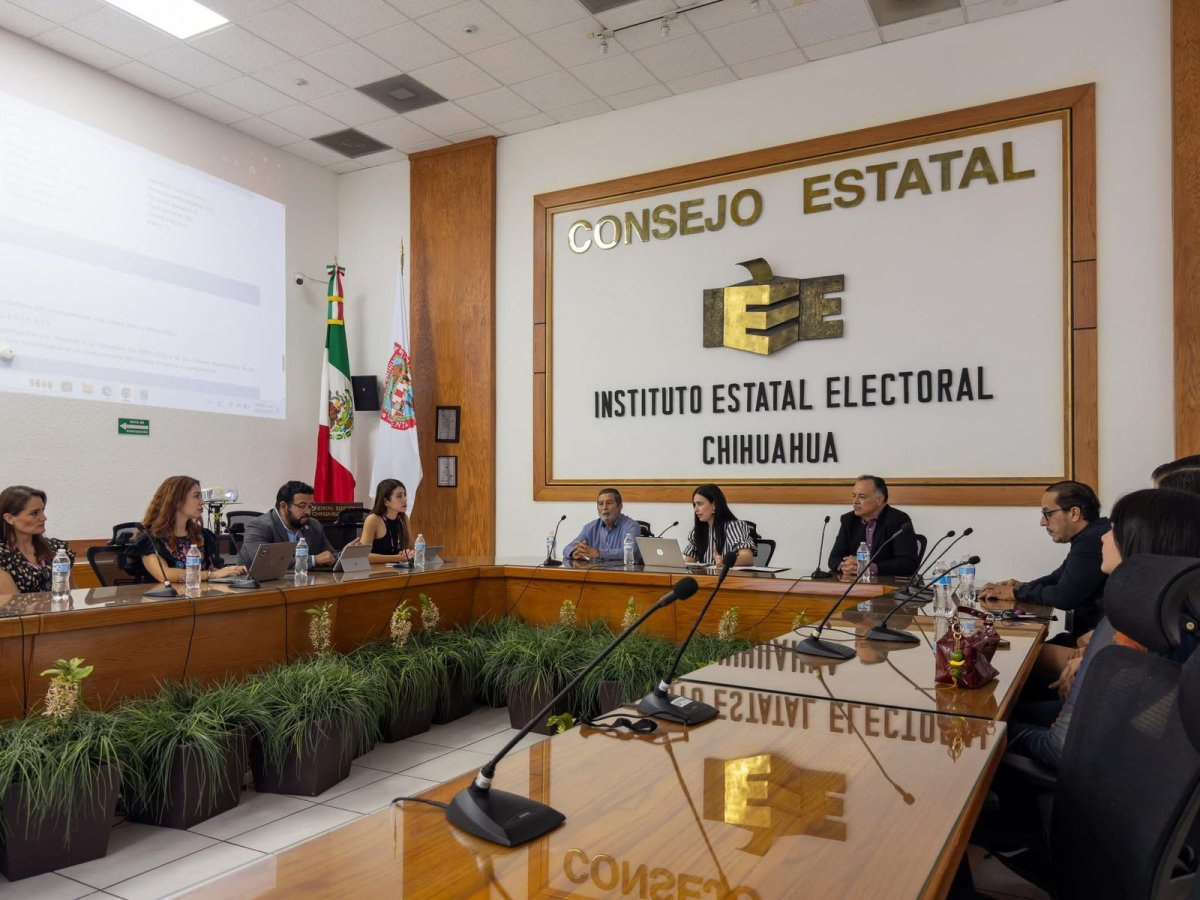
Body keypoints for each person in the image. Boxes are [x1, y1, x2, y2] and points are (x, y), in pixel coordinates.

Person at [1006, 487, 1200, 769]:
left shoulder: (1139, 624)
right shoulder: (1175, 616)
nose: (1104, 536)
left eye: (1114, 529)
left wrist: (987, 730)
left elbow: (1059, 748)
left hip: (1087, 771)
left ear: (1141, 541)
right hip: (1125, 756)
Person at [978, 480, 1107, 640]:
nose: (1042, 522)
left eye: (1049, 514)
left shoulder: (1092, 541)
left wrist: (1016, 592)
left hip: (1090, 644)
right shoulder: (1092, 534)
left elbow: (1063, 596)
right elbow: (1057, 577)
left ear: (1074, 513)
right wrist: (1022, 588)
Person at [135, 476, 244, 584]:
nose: (202, 502)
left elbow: (209, 570)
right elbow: (165, 575)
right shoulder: (150, 538)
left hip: (201, 592)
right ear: (177, 501)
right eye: (196, 496)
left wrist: (231, 572)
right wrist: (212, 575)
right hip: (167, 594)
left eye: (201, 497)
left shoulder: (201, 535)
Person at [827, 475, 918, 578]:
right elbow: (834, 559)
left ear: (879, 500)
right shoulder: (849, 520)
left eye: (862, 496)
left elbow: (908, 563)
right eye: (854, 496)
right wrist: (846, 566)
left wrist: (870, 568)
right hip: (853, 582)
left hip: (886, 583)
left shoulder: (898, 520)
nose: (855, 501)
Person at [241, 480, 335, 569]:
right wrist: (314, 560)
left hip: (306, 579)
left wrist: (342, 557)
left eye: (310, 506)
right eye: (302, 506)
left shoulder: (314, 525)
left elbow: (330, 555)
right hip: (259, 580)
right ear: (283, 507)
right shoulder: (259, 526)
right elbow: (267, 562)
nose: (308, 511)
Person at [0, 485, 75, 595]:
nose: (43, 518)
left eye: (42, 511)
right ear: (10, 518)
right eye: (34, 513)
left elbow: (71, 593)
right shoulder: (2, 556)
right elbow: (13, 602)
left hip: (61, 606)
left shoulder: (57, 548)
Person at [563, 487, 642, 563]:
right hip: (596, 571)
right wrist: (574, 552)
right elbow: (567, 549)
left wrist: (598, 553)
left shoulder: (631, 526)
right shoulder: (590, 528)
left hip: (625, 571)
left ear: (620, 507)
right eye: (600, 504)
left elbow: (628, 552)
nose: (604, 507)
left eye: (609, 503)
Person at [684, 484, 755, 567]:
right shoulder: (697, 531)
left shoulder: (733, 526)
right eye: (694, 504)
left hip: (728, 574)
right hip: (706, 575)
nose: (696, 509)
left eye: (700, 504)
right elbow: (688, 561)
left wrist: (724, 562)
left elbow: (748, 558)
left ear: (714, 505)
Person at [359, 478, 412, 564]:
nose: (405, 499)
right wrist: (397, 558)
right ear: (386, 501)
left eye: (404, 495)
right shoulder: (373, 519)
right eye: (399, 496)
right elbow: (363, 555)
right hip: (376, 570)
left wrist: (411, 553)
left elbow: (411, 547)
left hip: (399, 569)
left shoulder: (404, 518)